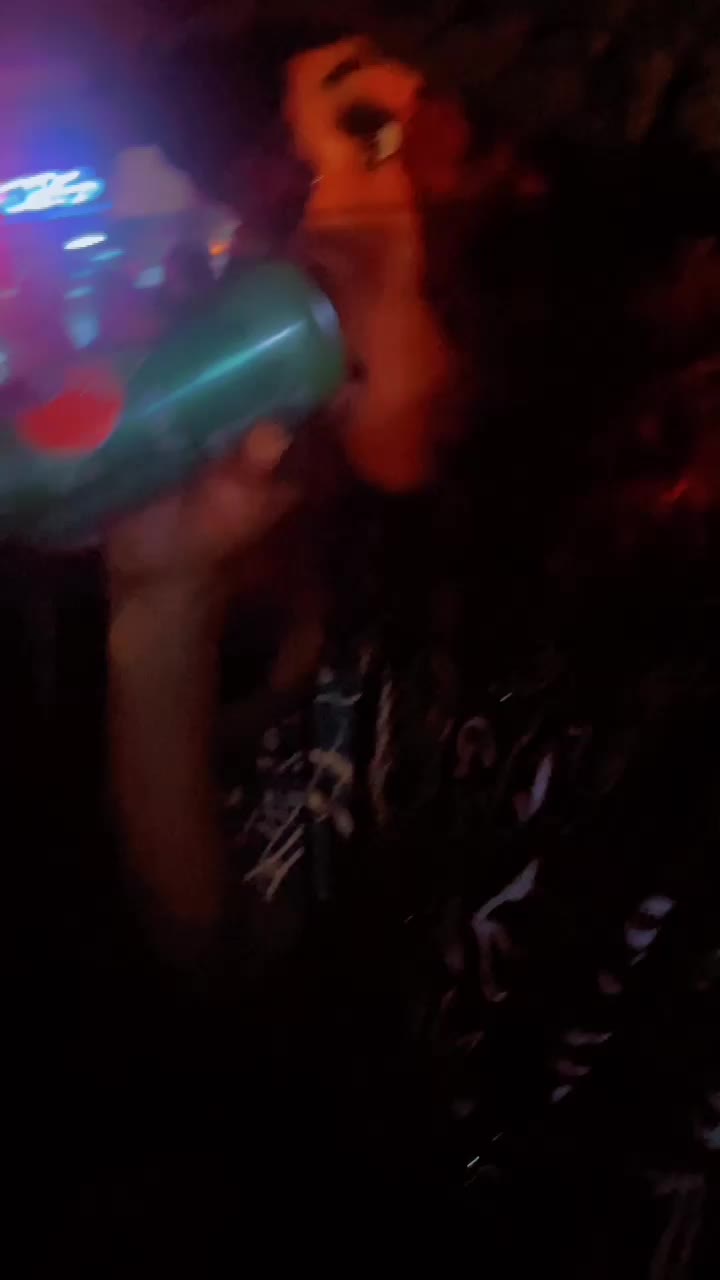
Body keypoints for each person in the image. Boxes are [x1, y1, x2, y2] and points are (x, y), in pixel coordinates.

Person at [105, 32, 719, 1272]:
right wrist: (159, 612)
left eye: (372, 130)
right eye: (305, 148)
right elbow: (230, 950)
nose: (315, 215)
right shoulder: (420, 573)